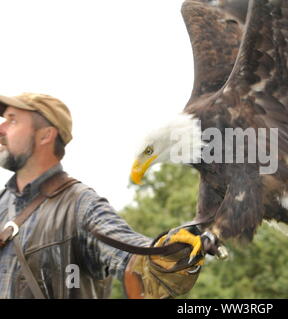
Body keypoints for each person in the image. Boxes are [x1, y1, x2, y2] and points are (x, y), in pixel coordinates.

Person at [0, 93, 204, 299]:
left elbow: (132, 255)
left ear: (45, 135)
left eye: (12, 120)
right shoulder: (2, 203)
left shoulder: (79, 206)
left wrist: (167, 252)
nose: (1, 128)